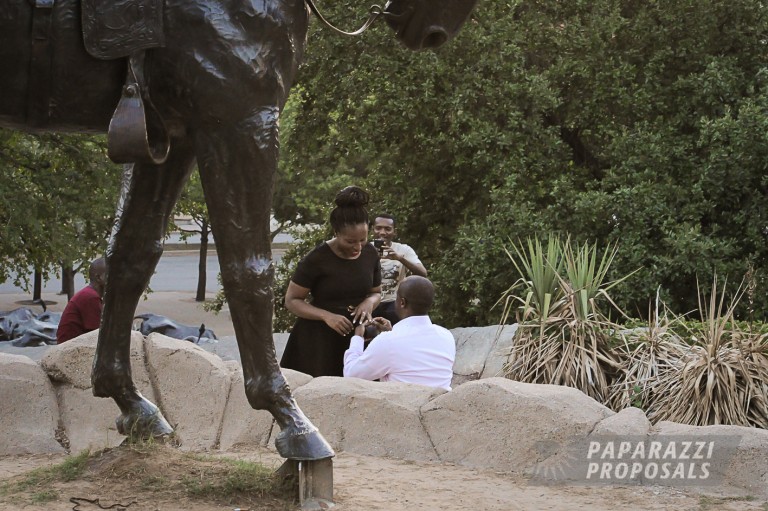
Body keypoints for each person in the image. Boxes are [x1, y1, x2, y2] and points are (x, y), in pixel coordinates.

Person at [280, 186, 382, 377]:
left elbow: (376, 292)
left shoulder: (370, 253)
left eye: (363, 239)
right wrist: (327, 316)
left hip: (357, 337)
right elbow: (292, 301)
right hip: (318, 341)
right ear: (336, 232)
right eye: (350, 241)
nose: (358, 247)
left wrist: (369, 302)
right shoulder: (316, 259)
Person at [343, 276, 455, 391]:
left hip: (404, 405)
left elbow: (352, 374)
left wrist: (358, 337)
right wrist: (391, 333)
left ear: (402, 302)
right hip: (438, 404)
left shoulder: (388, 341)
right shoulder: (446, 336)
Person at [371, 213, 427, 324]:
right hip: (371, 302)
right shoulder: (364, 249)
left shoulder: (403, 250)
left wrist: (399, 258)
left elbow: (423, 273)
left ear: (394, 232)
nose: (382, 232)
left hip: (394, 303)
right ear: (373, 230)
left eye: (387, 229)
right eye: (378, 228)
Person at [56, 257, 107, 344]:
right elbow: (99, 335)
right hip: (70, 351)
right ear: (98, 278)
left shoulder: (90, 294)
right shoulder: (90, 298)